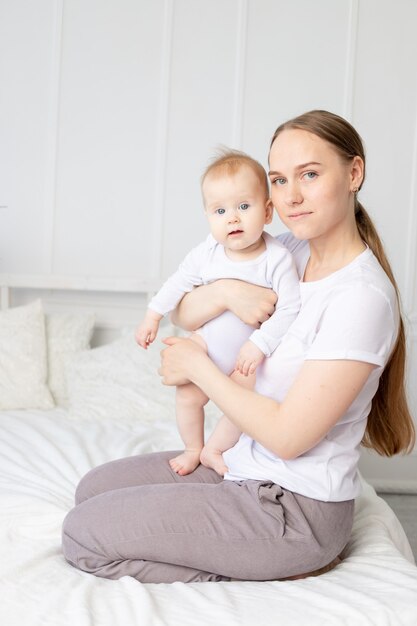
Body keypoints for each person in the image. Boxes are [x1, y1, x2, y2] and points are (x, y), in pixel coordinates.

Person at [62, 110, 415, 584]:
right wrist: (229, 293)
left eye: (310, 175)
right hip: (240, 465)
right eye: (278, 179)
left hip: (293, 510)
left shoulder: (361, 298)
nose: (291, 196)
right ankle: (231, 551)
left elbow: (290, 437)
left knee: (83, 534)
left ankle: (248, 570)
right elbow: (185, 312)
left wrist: (197, 367)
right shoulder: (287, 251)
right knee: (93, 489)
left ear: (354, 173)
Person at [135, 150, 300, 476]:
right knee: (186, 394)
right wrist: (153, 315)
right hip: (207, 344)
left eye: (243, 206)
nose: (232, 218)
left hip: (248, 356)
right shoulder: (207, 253)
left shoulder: (277, 258)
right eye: (220, 210)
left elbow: (291, 308)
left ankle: (214, 448)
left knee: (242, 409)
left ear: (267, 212)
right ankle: (193, 447)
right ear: (209, 216)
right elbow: (177, 283)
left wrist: (260, 344)